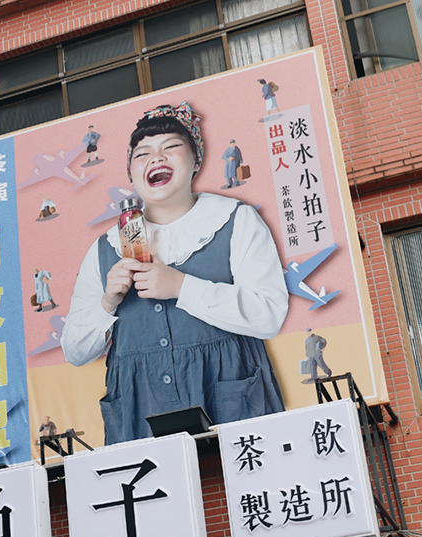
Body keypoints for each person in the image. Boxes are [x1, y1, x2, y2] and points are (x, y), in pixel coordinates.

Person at [61, 102, 288, 445]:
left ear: (196, 160)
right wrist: (107, 303)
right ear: (131, 173)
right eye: (143, 153)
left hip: (233, 406)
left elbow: (269, 314)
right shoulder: (104, 248)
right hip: (141, 417)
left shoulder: (236, 220)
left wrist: (181, 286)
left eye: (170, 147)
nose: (156, 158)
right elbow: (75, 351)